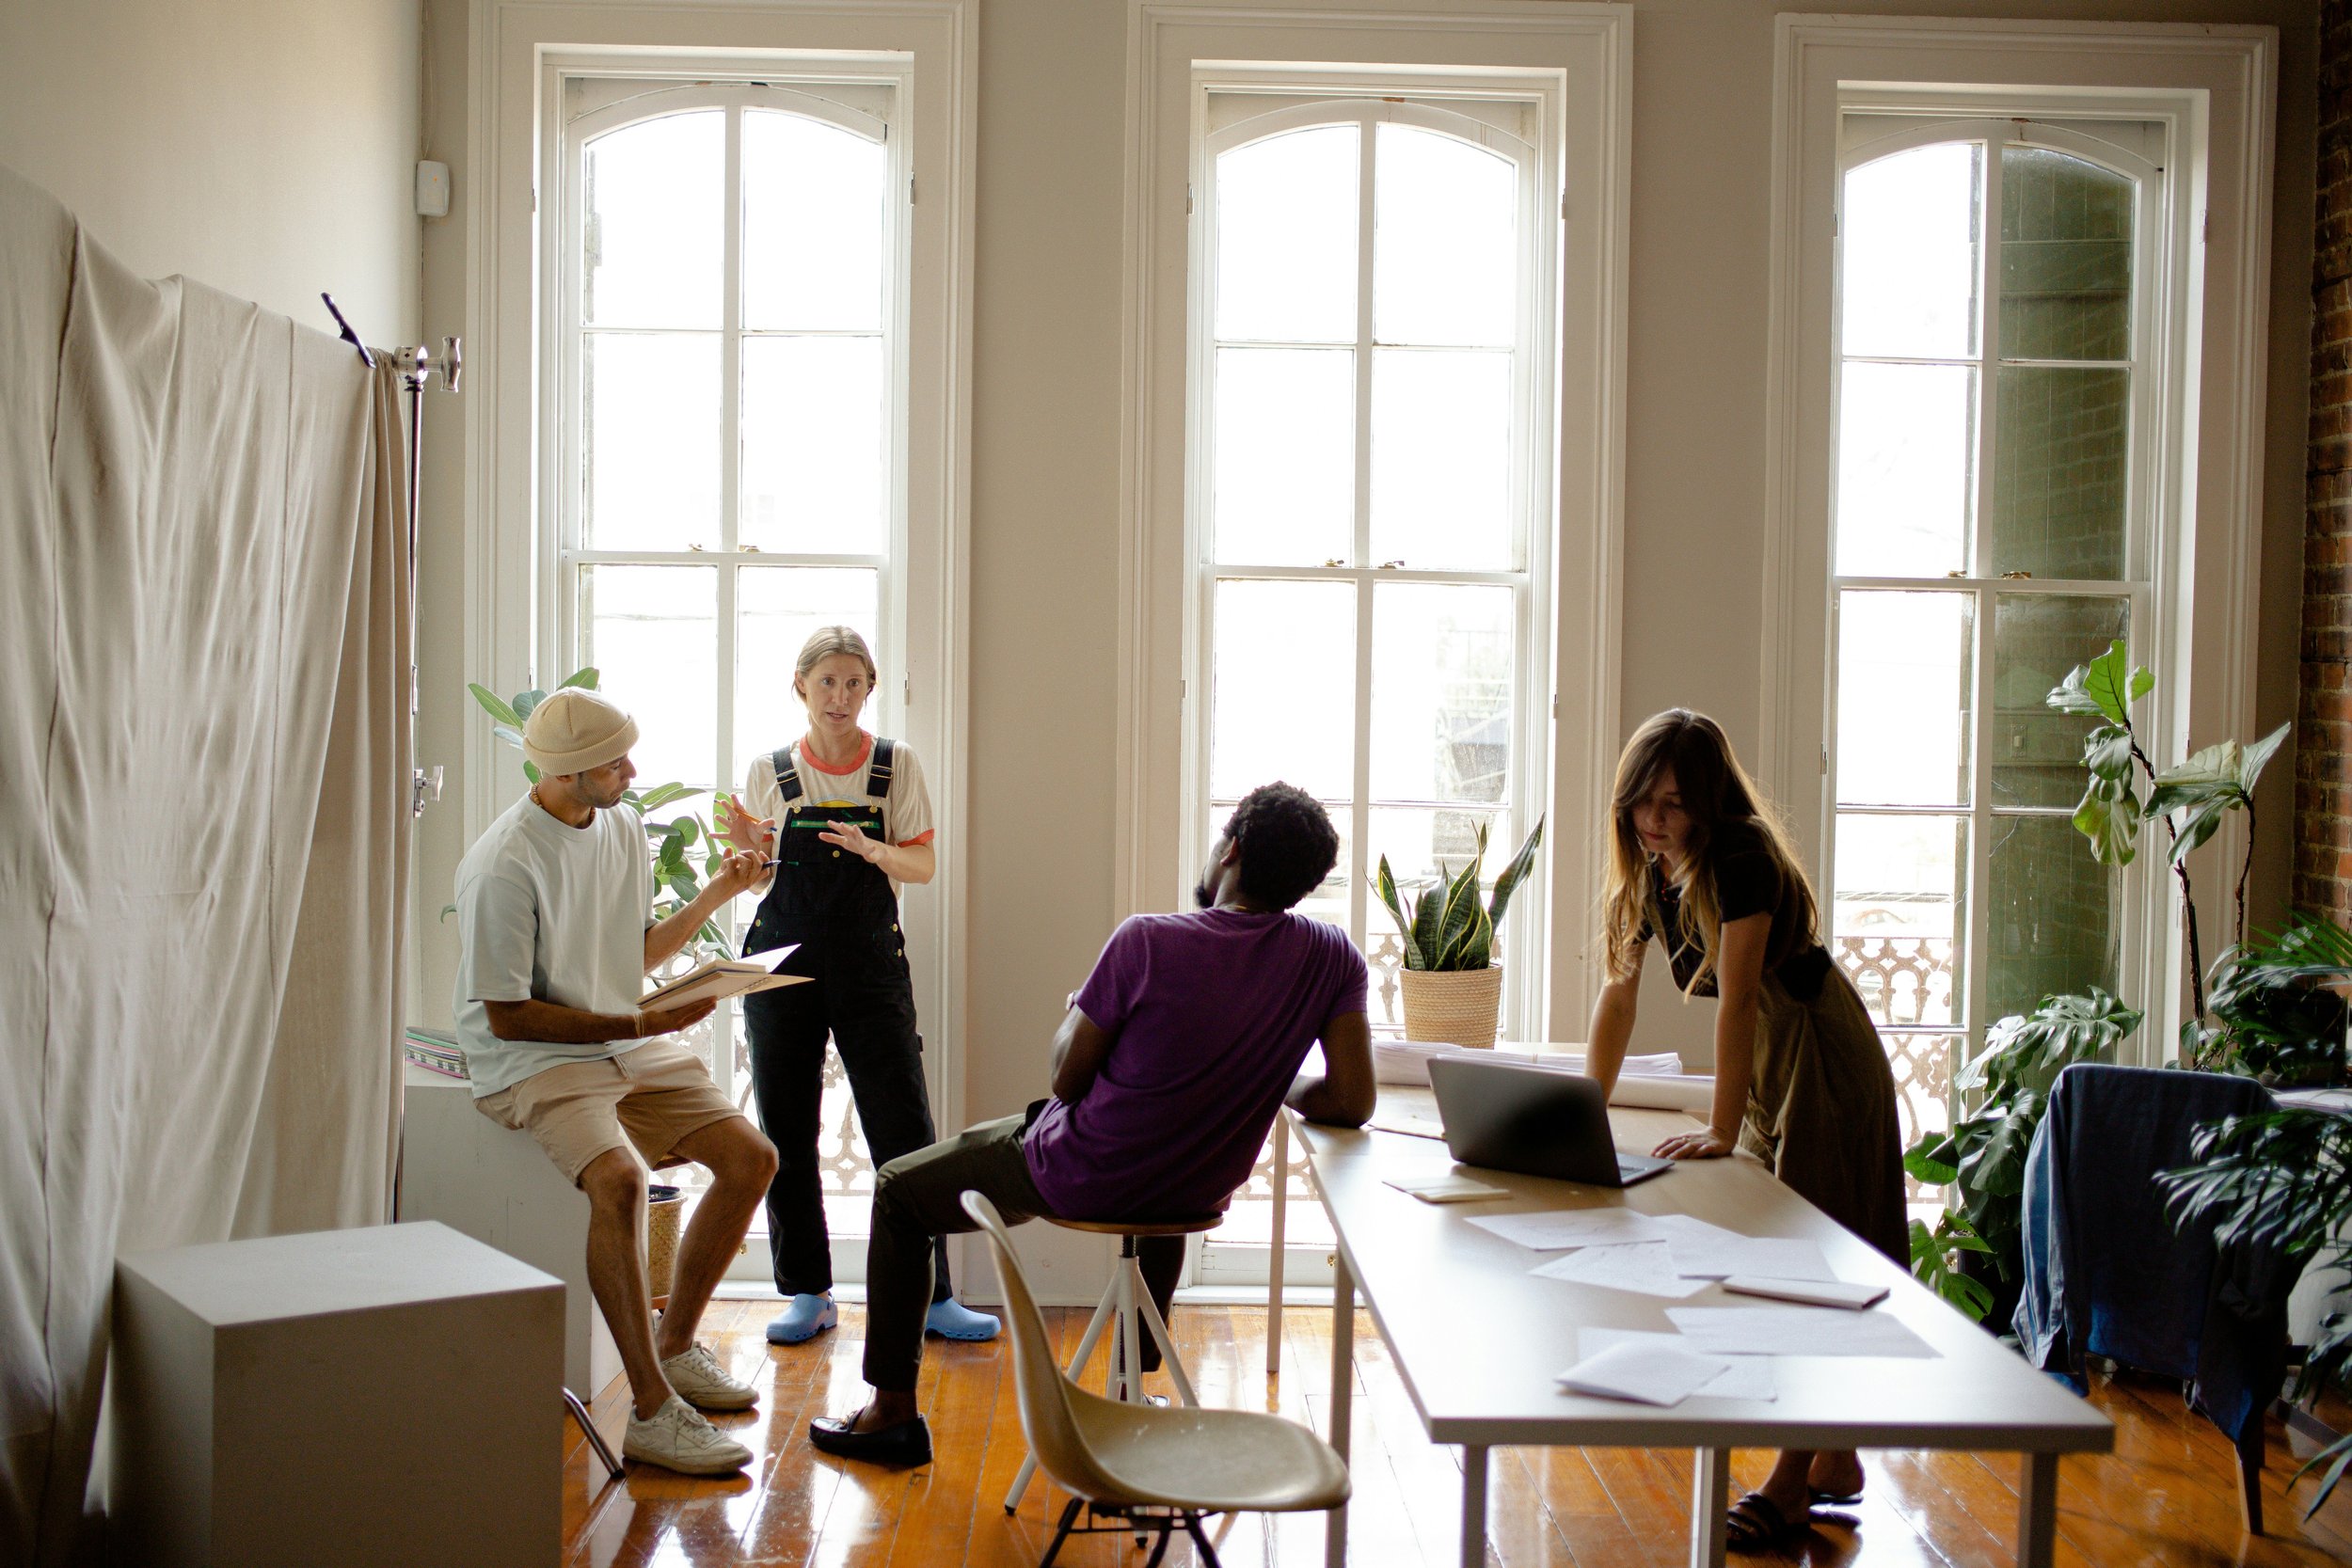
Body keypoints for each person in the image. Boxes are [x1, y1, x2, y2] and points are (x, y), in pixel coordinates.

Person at [805, 781, 1377, 1465]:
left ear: (1232, 849)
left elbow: (1065, 1079)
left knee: (899, 1190)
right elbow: (1353, 1100)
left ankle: (891, 1413)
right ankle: (1132, 1391)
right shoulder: (1333, 958)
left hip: (1082, 1170)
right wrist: (1274, 1076)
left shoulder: (1149, 940)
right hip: (1194, 1187)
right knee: (1165, 1180)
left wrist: (1079, 1008)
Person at [1582, 708, 1905, 1552]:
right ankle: (1833, 1455)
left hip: (1816, 1046)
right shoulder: (1652, 868)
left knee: (1803, 1261)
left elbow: (1739, 995)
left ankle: (1790, 1484)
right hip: (1770, 1052)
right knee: (1785, 1248)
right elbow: (1619, 996)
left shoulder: (1742, 854)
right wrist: (1583, 1111)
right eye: (1643, 800)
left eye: (1674, 803)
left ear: (1709, 801)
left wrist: (1723, 1128)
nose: (1654, 818)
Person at [452, 688, 782, 1477]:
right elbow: (507, 1017)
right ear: (564, 772)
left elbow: (632, 956)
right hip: (532, 1058)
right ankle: (651, 1412)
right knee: (621, 1181)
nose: (632, 772)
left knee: (752, 1158)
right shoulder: (503, 864)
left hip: (614, 1038)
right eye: (614, 763)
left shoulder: (622, 825)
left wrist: (720, 893)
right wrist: (639, 1025)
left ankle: (675, 1347)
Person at [715, 627, 999, 1347]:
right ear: (800, 686)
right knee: (785, 1128)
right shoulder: (771, 770)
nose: (839, 696)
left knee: (903, 1131)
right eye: (827, 681)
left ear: (870, 687)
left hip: (871, 966)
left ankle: (930, 1295)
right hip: (780, 965)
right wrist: (748, 848)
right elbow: (761, 877)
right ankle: (807, 1291)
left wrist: (875, 849)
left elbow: (923, 865)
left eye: (853, 682)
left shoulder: (894, 766)